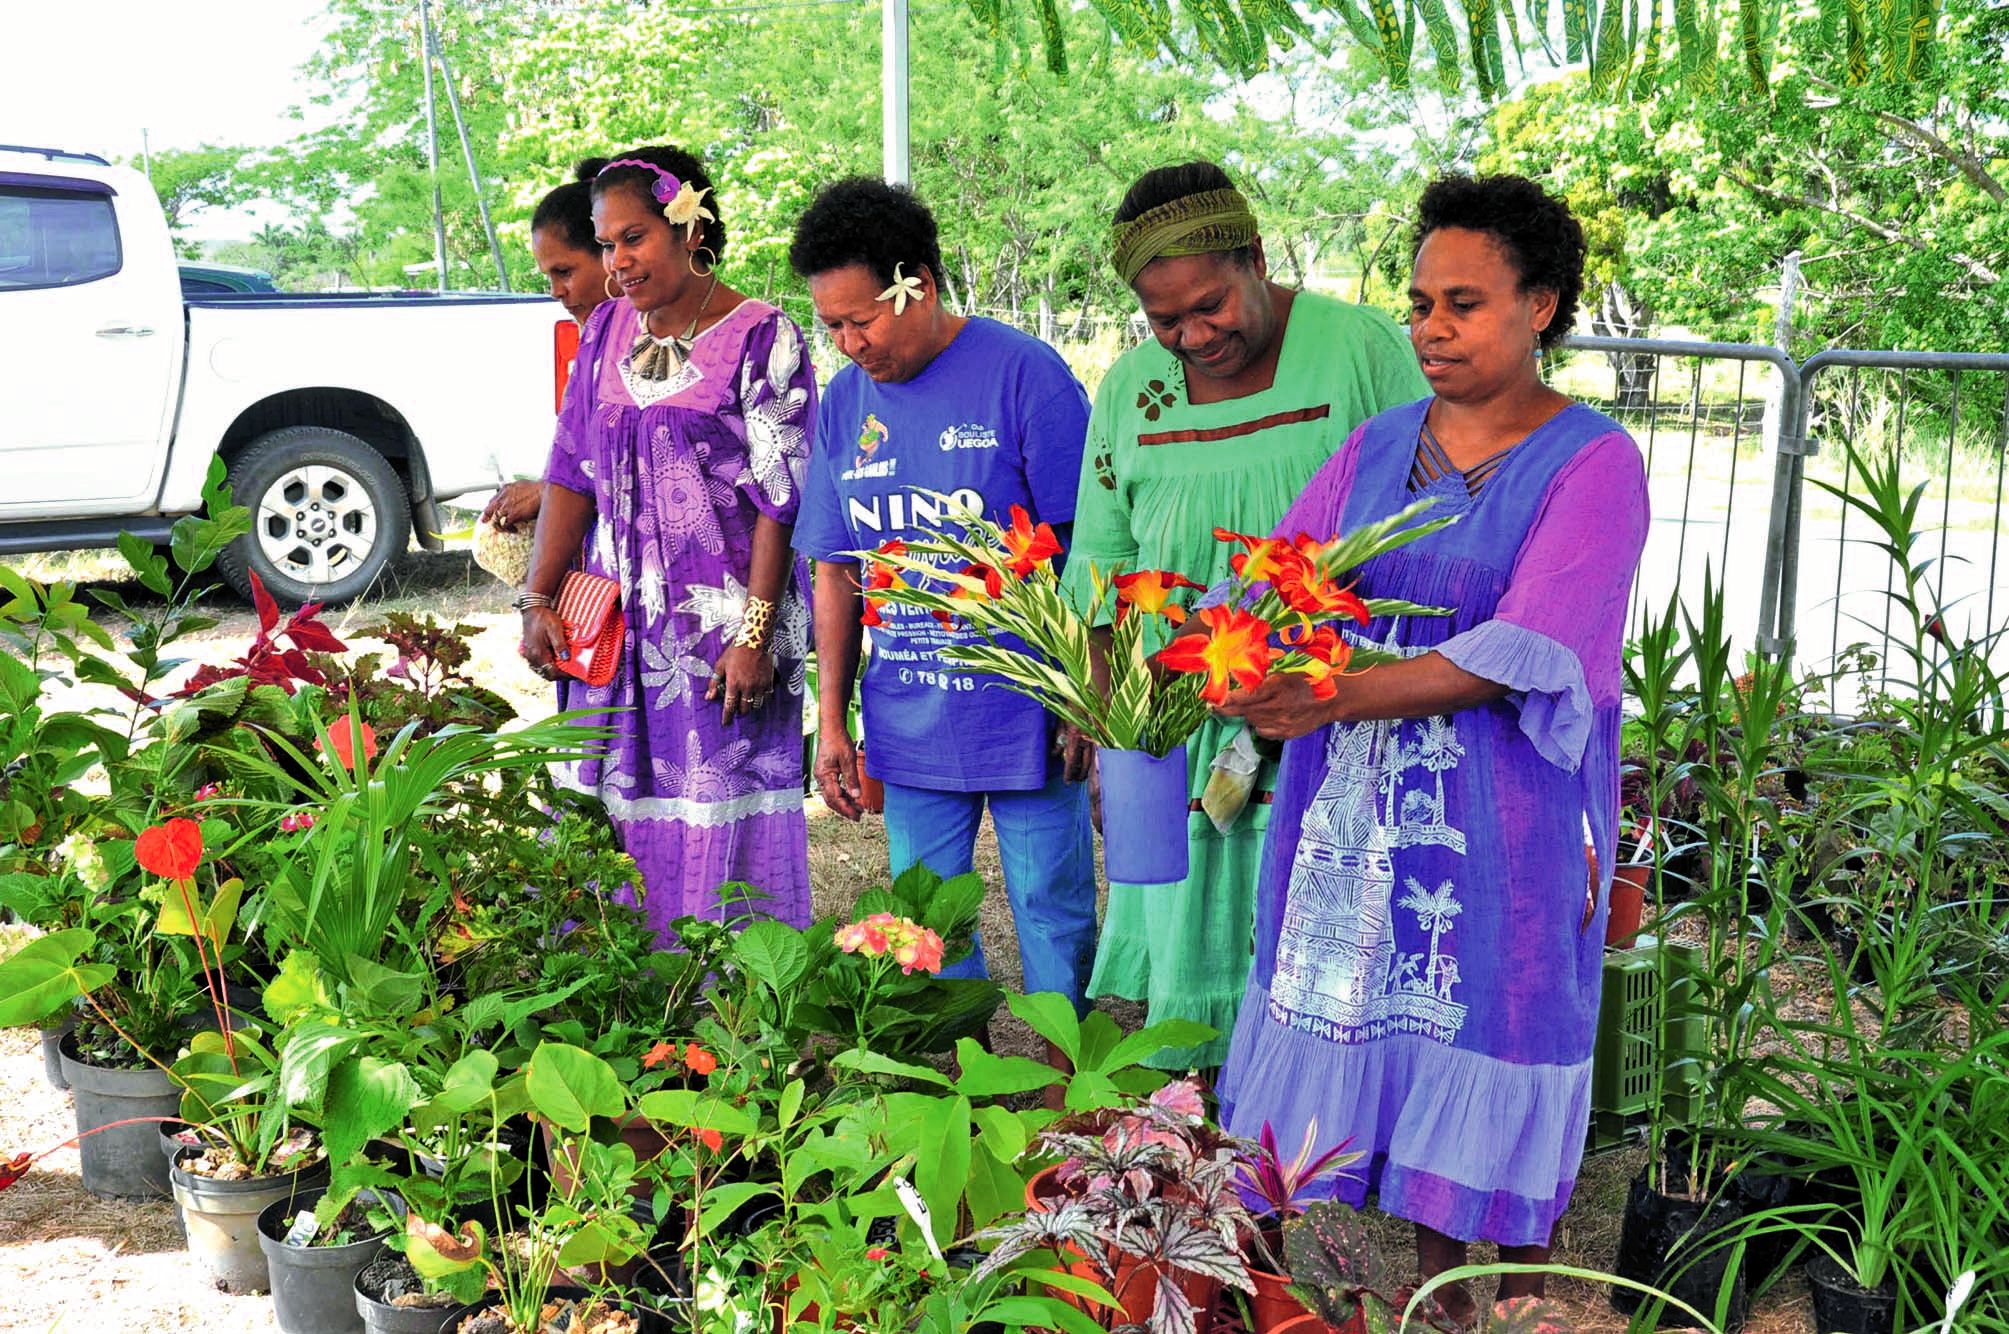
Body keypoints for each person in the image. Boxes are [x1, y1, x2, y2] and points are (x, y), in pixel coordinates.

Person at [1213, 174, 1649, 1318]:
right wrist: (1221, 652)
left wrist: (1331, 691)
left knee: (1488, 1013)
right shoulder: (1373, 447)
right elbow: (1271, 574)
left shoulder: (1593, 463)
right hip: (1349, 814)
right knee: (1356, 1010)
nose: (1430, 327)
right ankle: (1326, 1289)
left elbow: (1526, 646)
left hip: (1501, 820)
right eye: (1417, 303)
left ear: (1540, 305)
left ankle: (1480, 1301)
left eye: (1463, 301)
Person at [1063, 161, 1429, 1071]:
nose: (1192, 335)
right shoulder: (1129, 387)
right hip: (1178, 714)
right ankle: (1196, 1115)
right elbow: (1102, 567)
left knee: (1311, 919)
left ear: (1256, 258)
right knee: (1188, 927)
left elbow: (1422, 511)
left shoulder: (1358, 348)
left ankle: (1305, 1109)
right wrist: (1108, 725)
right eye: (1164, 320)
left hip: (1321, 702)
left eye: (1209, 306)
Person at [788, 177, 1098, 1051]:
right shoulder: (846, 404)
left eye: (863, 321)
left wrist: (1081, 693)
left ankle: (1060, 1073)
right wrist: (834, 719)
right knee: (930, 914)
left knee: (1049, 903)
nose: (850, 345)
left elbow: (1087, 549)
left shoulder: (1024, 375)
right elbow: (836, 572)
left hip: (1027, 708)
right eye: (833, 327)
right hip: (909, 712)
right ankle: (958, 1080)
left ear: (916, 282)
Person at [516, 146, 816, 935]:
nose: (616, 262)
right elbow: (569, 469)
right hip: (618, 635)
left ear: (690, 226)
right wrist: (536, 599)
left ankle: (725, 1021)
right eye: (606, 243)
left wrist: (752, 636)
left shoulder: (764, 337)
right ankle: (624, 1017)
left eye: (634, 238)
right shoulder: (608, 328)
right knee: (602, 815)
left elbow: (779, 502)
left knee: (716, 817)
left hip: (722, 642)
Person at [484, 171, 612, 533]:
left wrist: (547, 492)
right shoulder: (594, 344)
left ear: (609, 254)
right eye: (548, 277)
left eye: (565, 271)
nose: (556, 291)